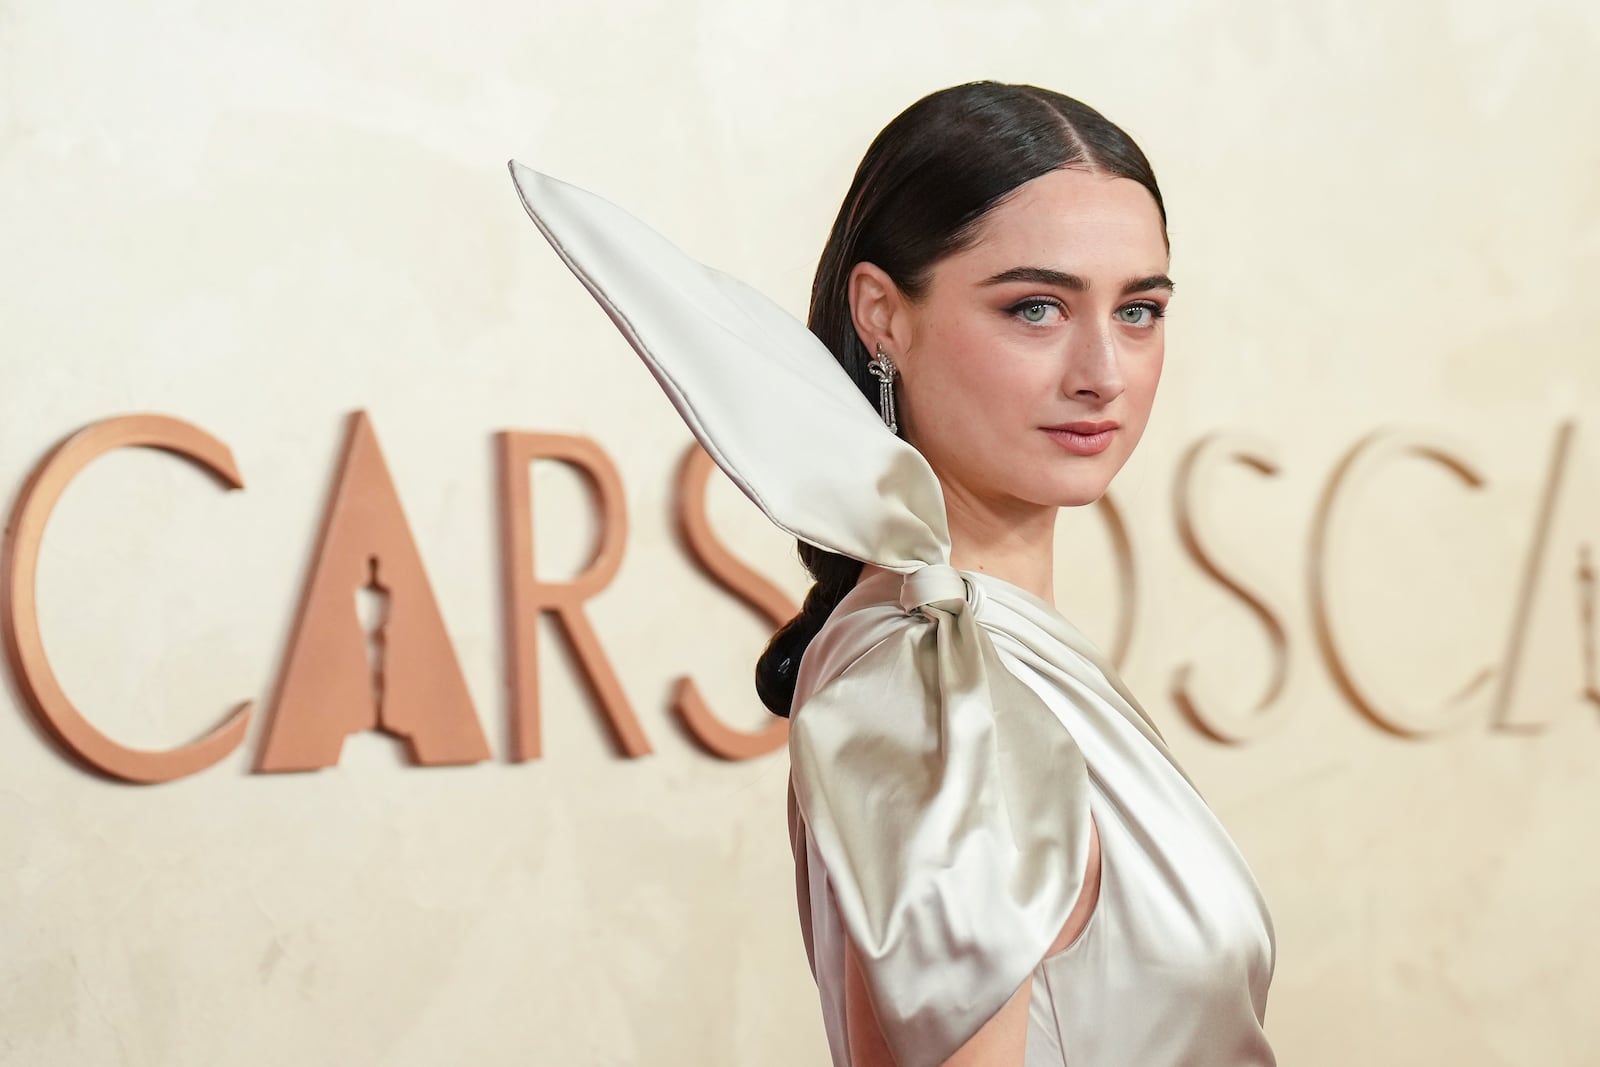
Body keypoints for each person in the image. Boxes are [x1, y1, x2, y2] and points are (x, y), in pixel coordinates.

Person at [508, 79, 1276, 1067]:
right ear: (880, 314)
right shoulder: (932, 674)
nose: (1103, 371)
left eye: (1138, 310)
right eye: (1035, 307)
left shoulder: (955, 650)